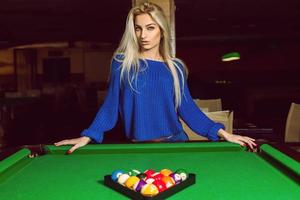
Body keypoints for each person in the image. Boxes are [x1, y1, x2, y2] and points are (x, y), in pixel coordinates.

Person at [55, 2, 256, 153]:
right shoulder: (122, 63)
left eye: (150, 27)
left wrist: (224, 133)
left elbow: (188, 109)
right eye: (138, 28)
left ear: (161, 30)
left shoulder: (175, 67)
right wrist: (88, 136)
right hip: (137, 148)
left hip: (175, 144)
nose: (143, 35)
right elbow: (110, 107)